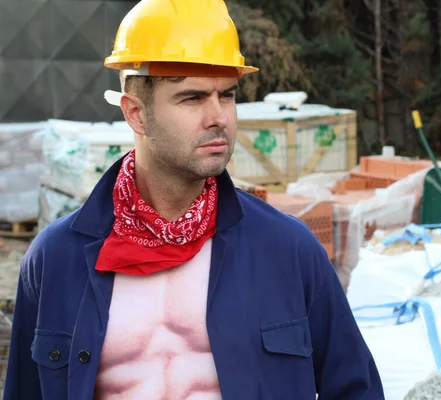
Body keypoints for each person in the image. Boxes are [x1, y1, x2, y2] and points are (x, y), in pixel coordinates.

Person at [3, 0, 384, 399]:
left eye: (228, 95)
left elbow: (356, 389)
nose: (218, 116)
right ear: (136, 114)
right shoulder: (56, 258)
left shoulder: (287, 250)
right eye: (192, 98)